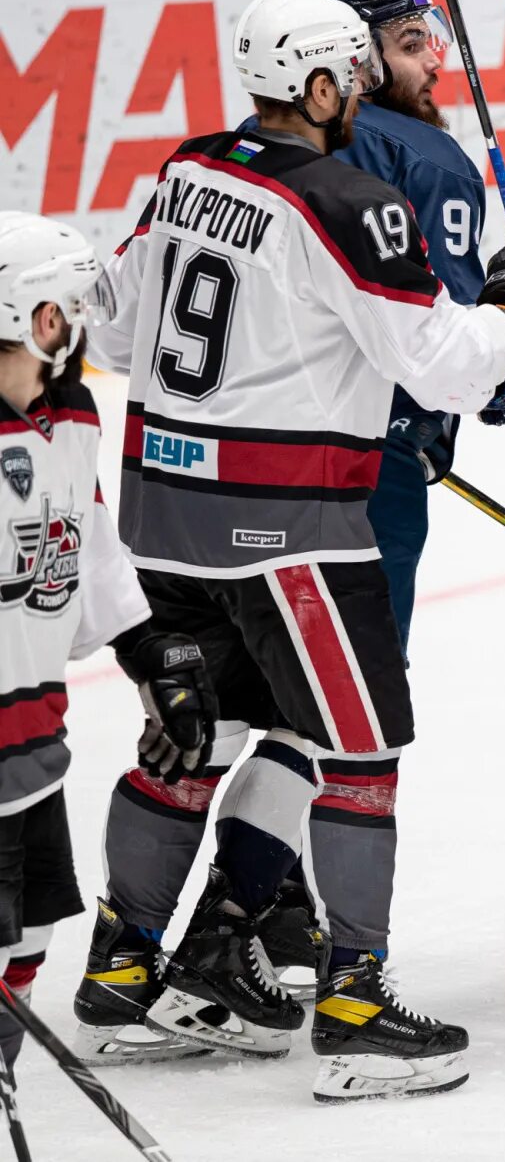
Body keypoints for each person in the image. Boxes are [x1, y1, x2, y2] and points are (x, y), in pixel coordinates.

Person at [77, 0, 505, 1102]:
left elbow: (113, 327)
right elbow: (445, 365)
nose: (357, 96)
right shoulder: (352, 203)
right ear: (312, 85)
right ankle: (353, 1008)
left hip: (162, 514)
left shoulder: (182, 174)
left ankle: (121, 971)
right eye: (348, 76)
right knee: (356, 754)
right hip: (290, 528)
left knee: (191, 737)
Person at [0, 213, 219, 1078]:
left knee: (29, 935)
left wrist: (148, 650)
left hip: (31, 753)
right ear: (39, 318)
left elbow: (87, 544)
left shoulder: (71, 413)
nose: (84, 322)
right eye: (72, 305)